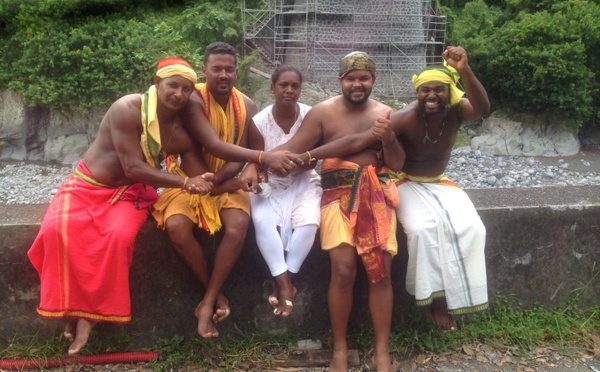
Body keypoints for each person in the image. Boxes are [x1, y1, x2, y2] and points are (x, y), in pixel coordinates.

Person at [290, 46, 491, 331]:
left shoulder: (448, 113)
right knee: (416, 233)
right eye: (425, 90)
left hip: (416, 183)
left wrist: (464, 70)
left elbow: (481, 109)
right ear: (340, 80)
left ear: (373, 79)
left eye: (439, 90)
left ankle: (448, 299)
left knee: (473, 229)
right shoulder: (397, 116)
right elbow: (355, 142)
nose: (432, 95)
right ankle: (424, 301)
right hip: (375, 186)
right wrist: (290, 158)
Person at [27, 57, 214, 355]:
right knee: (54, 232)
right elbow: (132, 166)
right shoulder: (128, 108)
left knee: (119, 238)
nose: (178, 93)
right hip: (88, 185)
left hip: (131, 194)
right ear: (157, 83)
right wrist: (185, 183)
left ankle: (88, 318)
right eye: (172, 85)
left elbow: (200, 174)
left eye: (186, 89)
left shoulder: (181, 133)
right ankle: (71, 309)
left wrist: (244, 171)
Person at [242, 51, 405, 372]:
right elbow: (294, 152)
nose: (358, 84)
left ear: (373, 80)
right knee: (343, 271)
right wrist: (254, 161)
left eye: (364, 78)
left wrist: (389, 140)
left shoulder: (387, 114)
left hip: (376, 194)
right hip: (336, 195)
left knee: (381, 273)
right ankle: (340, 349)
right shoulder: (322, 113)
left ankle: (381, 350)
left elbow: (398, 164)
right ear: (340, 80)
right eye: (352, 78)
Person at [152, 42, 282, 339]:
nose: (223, 74)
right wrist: (252, 162)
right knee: (176, 227)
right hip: (190, 178)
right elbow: (212, 146)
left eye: (229, 69)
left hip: (226, 179)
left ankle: (208, 300)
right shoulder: (192, 100)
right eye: (216, 69)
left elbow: (255, 142)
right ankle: (214, 291)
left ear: (237, 71)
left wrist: (249, 166)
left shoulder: (247, 104)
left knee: (238, 226)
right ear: (204, 71)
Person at [247, 65, 322, 317]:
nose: (289, 90)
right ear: (272, 88)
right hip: (271, 183)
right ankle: (286, 286)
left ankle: (284, 282)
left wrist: (293, 167)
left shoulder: (311, 116)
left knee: (309, 222)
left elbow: (313, 160)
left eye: (295, 86)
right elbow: (257, 162)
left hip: (302, 178)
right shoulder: (258, 122)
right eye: (283, 85)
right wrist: (266, 172)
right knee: (261, 220)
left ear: (300, 90)